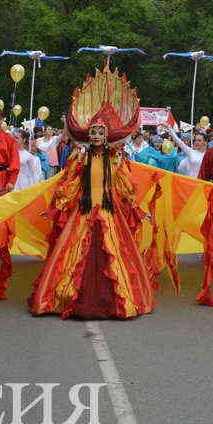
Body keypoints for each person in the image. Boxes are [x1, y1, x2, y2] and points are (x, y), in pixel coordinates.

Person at [29, 65, 155, 319]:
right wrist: (58, 206)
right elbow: (71, 183)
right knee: (72, 253)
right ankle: (64, 297)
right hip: (84, 211)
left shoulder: (115, 161)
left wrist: (138, 209)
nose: (96, 136)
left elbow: (124, 187)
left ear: (106, 137)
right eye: (93, 133)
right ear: (89, 136)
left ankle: (118, 300)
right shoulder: (82, 159)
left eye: (100, 133)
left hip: (109, 211)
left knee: (115, 254)